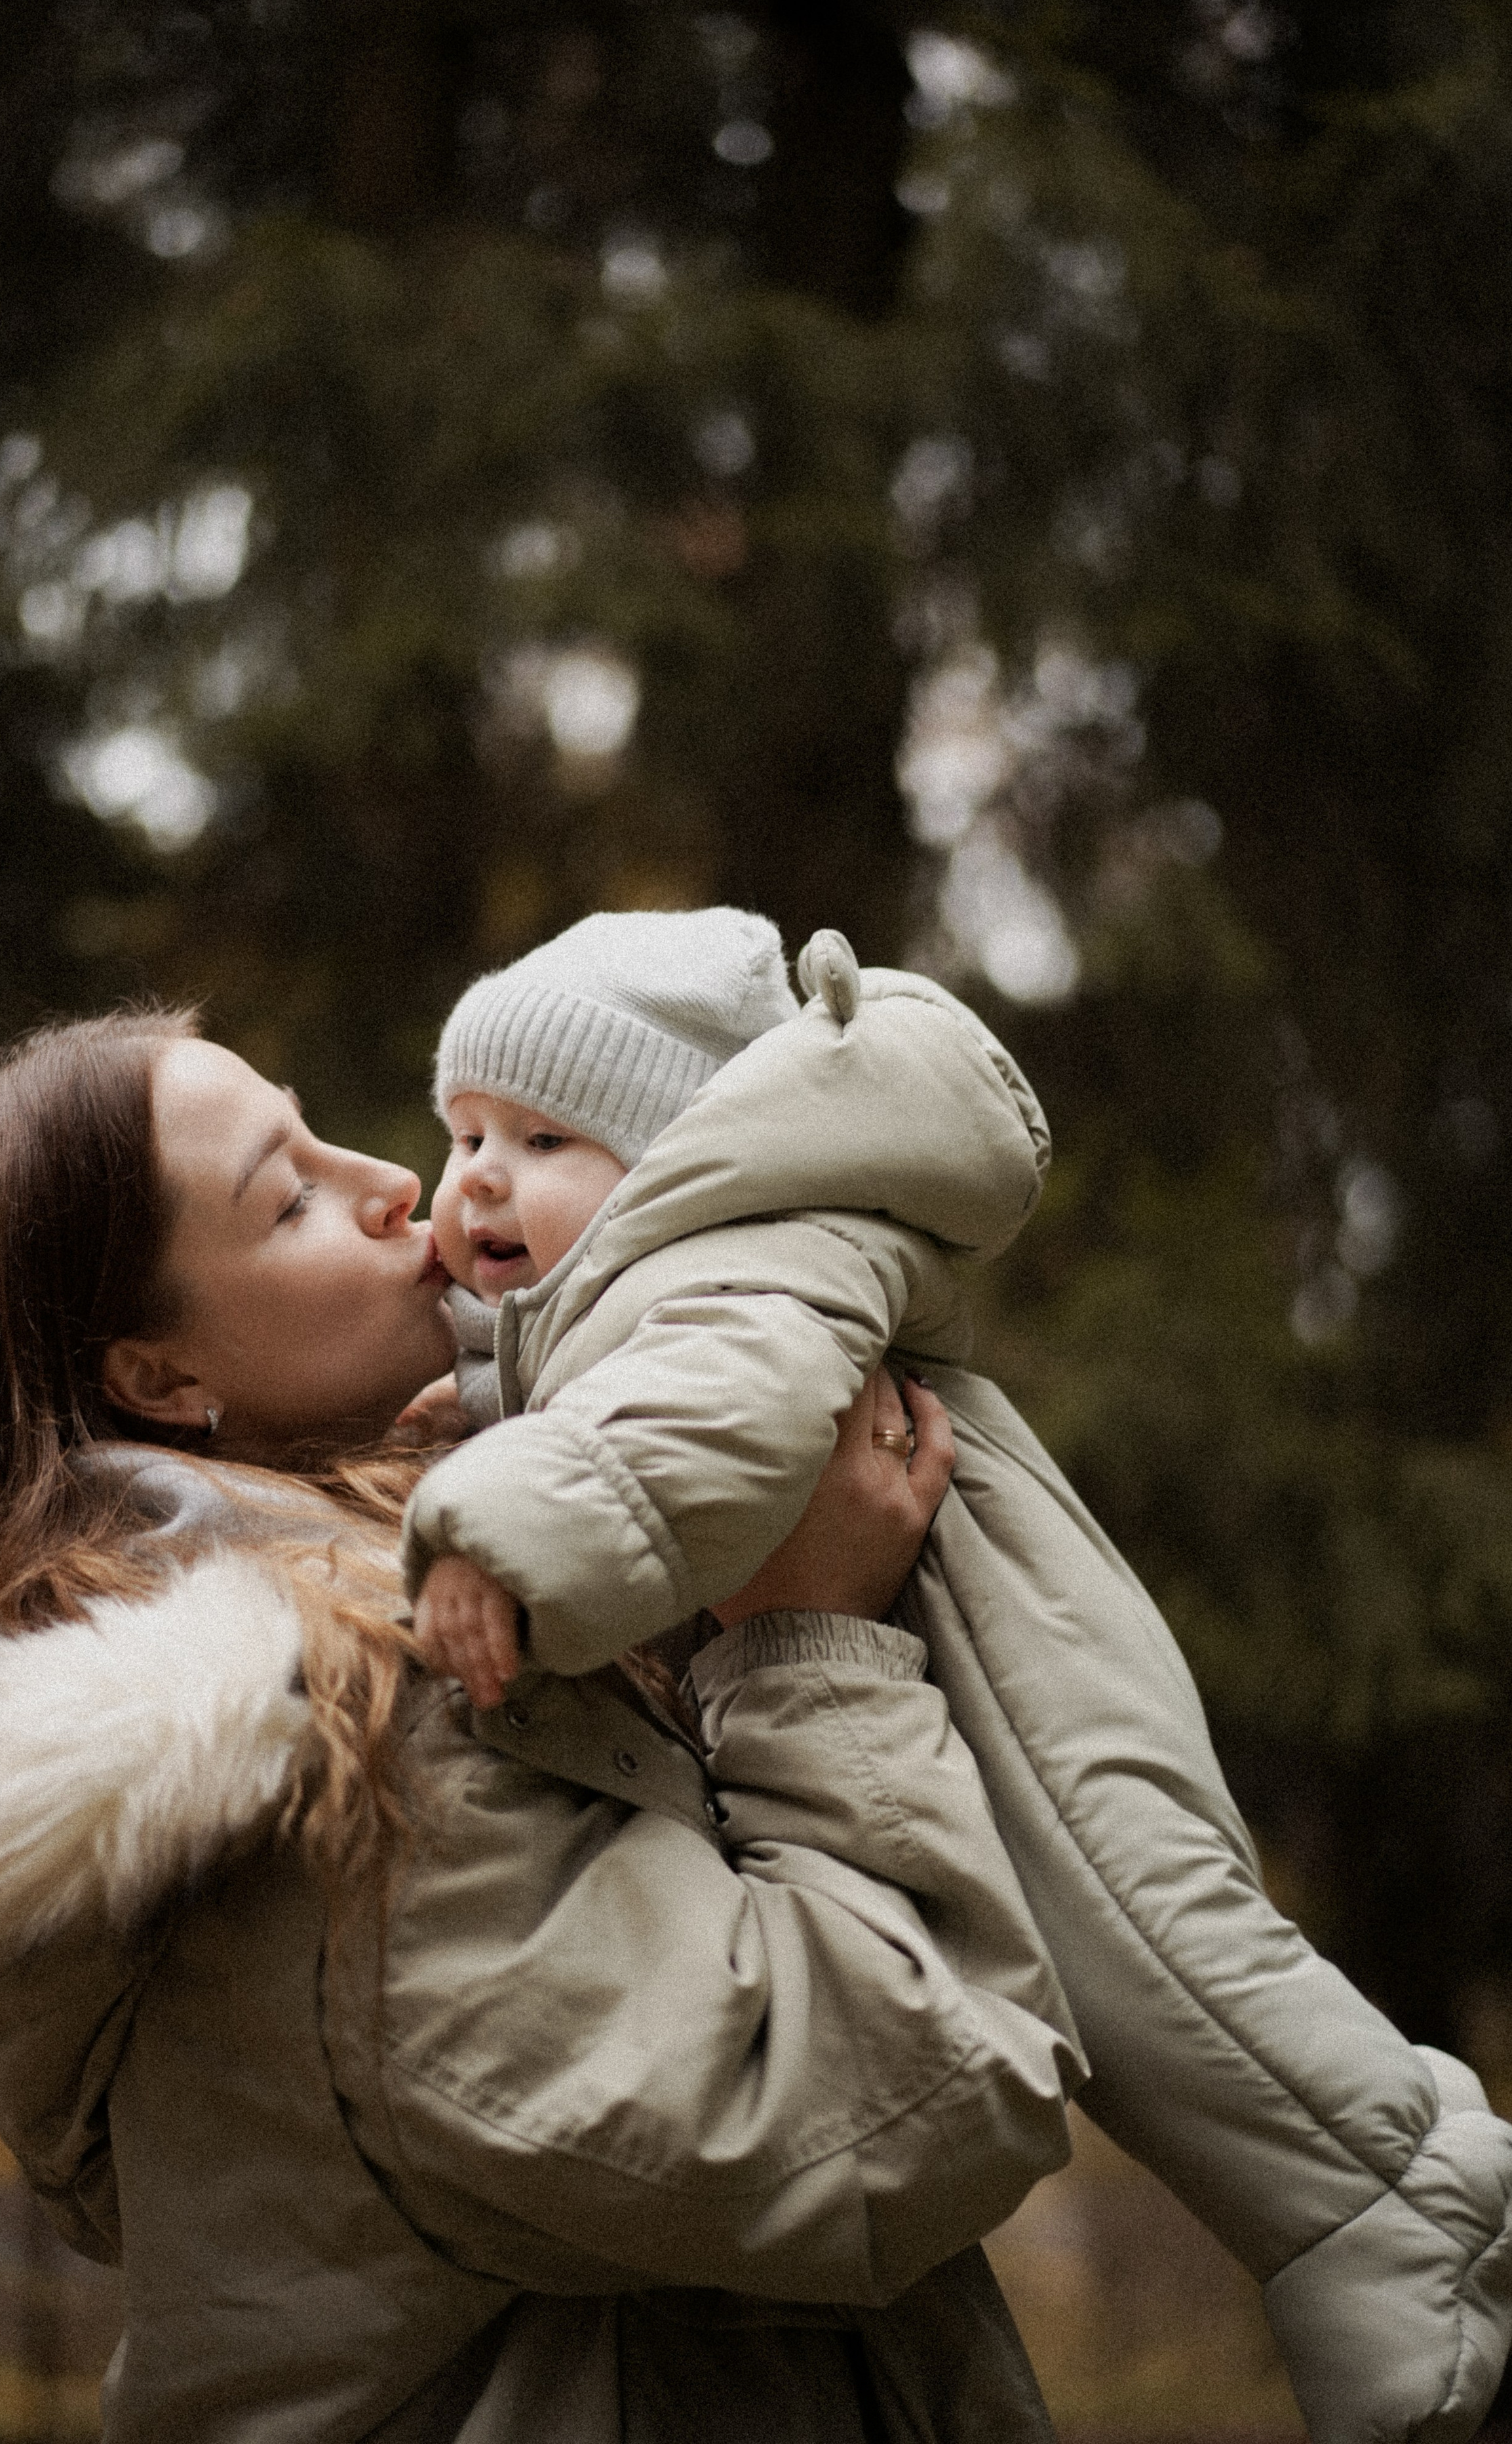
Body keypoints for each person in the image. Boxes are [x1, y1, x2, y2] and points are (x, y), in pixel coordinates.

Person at [0, 1007, 1085, 2444]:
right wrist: (808, 1640)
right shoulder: (337, 1766)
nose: (391, 1183)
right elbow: (899, 2116)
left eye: (318, 1131)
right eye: (290, 1197)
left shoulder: (440, 1619)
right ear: (161, 1379)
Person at [406, 906, 1512, 2444]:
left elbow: (692, 1427)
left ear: (683, 1151)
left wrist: (504, 1531)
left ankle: (1393, 2212)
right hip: (944, 1647)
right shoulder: (656, 1286)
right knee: (1151, 1980)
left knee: (1159, 1964)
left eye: (540, 1136)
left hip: (1008, 1659)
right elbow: (618, 1390)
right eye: (462, 1135)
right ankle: (1379, 2203)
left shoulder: (750, 1262)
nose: (473, 1180)